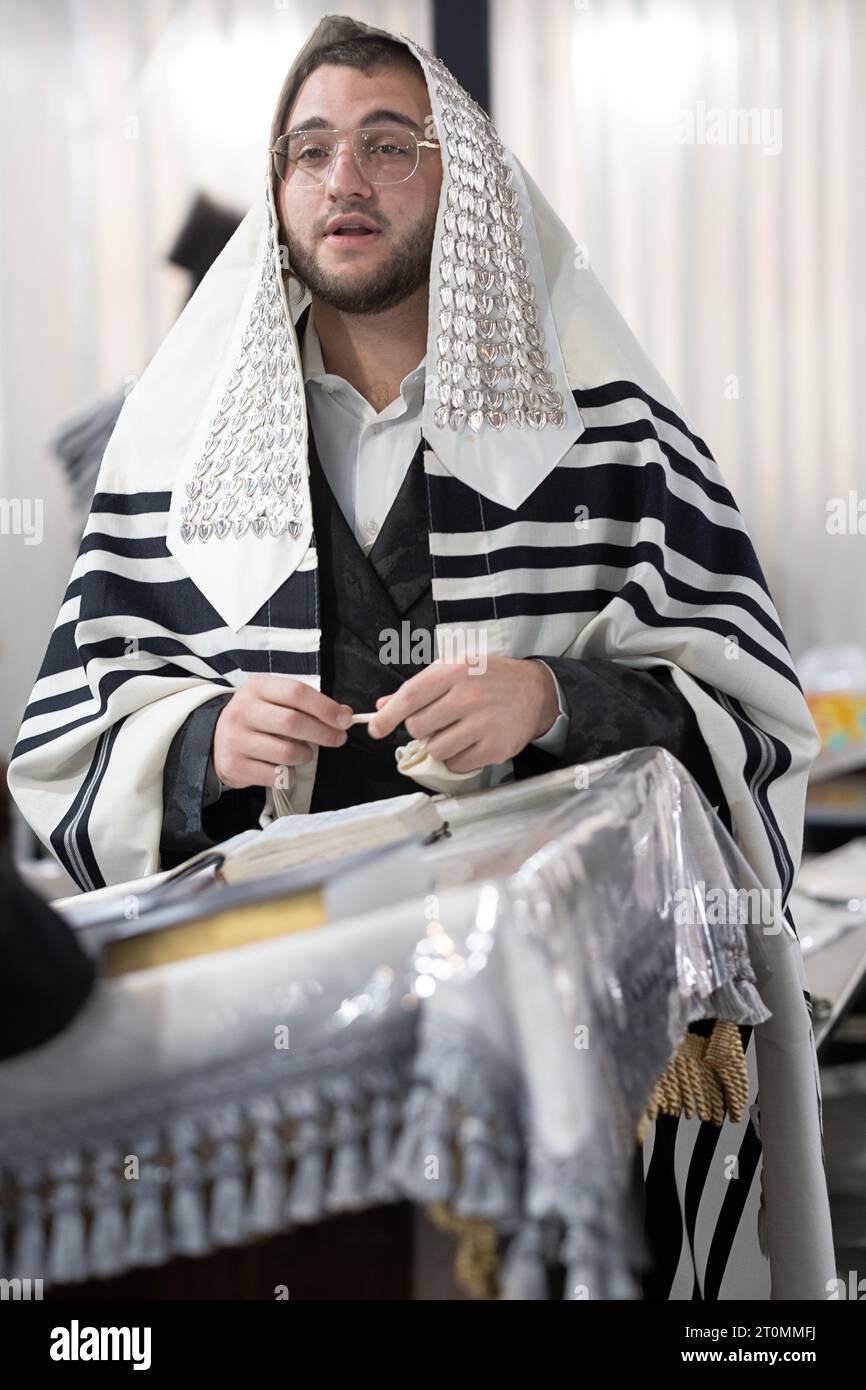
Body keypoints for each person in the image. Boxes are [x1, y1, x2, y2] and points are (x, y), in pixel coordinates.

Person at [6, 14, 830, 1298]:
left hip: (564, 1042)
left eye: (389, 146)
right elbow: (62, 755)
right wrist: (194, 746)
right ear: (276, 193)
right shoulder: (167, 469)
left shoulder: (612, 434)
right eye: (311, 149)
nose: (345, 179)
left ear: (464, 181)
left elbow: (753, 717)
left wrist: (557, 697)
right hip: (281, 1076)